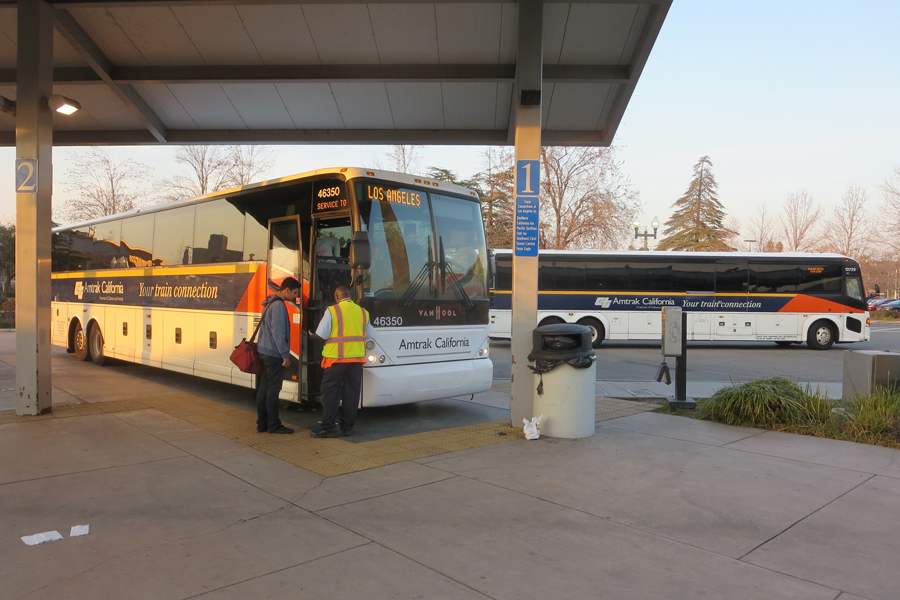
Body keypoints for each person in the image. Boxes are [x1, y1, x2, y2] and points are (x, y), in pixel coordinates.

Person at [312, 285, 370, 438]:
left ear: (337, 297)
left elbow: (322, 334)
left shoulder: (333, 311)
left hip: (336, 359)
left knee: (330, 392)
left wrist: (311, 335)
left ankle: (328, 427)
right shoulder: (363, 312)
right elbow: (369, 334)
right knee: (351, 393)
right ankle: (347, 428)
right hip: (357, 359)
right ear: (349, 296)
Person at [255, 277, 302, 434]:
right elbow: (278, 334)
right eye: (295, 292)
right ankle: (274, 425)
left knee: (264, 388)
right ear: (286, 290)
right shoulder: (279, 307)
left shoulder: (268, 303)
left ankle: (262, 424)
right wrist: (285, 356)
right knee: (273, 390)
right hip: (274, 354)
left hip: (263, 351)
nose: (296, 296)